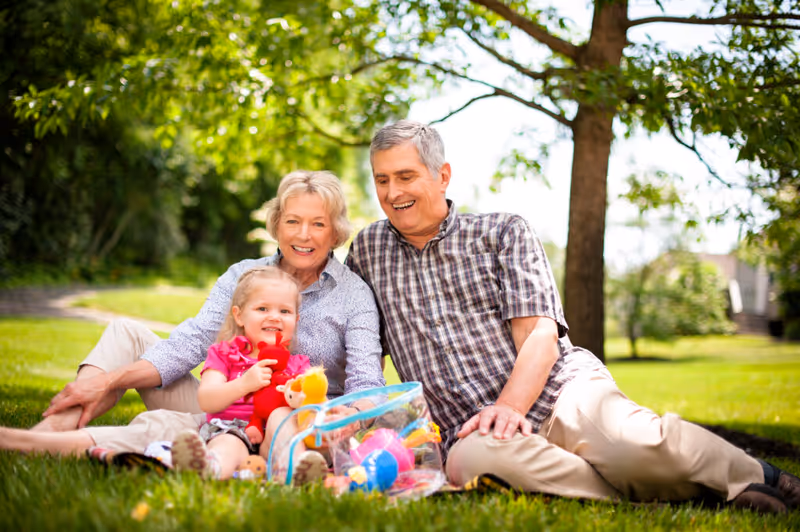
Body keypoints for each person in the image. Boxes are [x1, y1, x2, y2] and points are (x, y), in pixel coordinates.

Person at [344, 120, 800, 514]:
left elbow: (540, 336)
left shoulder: (503, 231)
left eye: (405, 176)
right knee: (470, 465)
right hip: (472, 428)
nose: (393, 192)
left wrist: (509, 407)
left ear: (442, 176)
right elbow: (354, 336)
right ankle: (657, 497)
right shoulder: (367, 251)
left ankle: (760, 475)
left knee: (632, 448)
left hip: (562, 392)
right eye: (381, 180)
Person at [0, 170, 383, 457]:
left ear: (336, 232)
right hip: (227, 401)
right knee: (125, 333)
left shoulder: (353, 294)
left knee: (169, 426)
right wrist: (109, 382)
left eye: (318, 224)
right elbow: (195, 341)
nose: (304, 235)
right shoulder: (243, 275)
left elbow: (367, 382)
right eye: (293, 221)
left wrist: (341, 418)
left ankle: (41, 444)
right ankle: (51, 428)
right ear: (277, 225)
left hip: (293, 425)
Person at [168, 265, 327, 482]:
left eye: (285, 311)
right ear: (239, 316)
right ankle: (208, 468)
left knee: (282, 417)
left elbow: (316, 404)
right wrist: (244, 384)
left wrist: (303, 400)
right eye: (262, 309)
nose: (274, 317)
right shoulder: (224, 354)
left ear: (296, 320)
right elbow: (206, 399)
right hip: (233, 431)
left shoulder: (298, 365)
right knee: (228, 446)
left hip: (273, 439)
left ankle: (296, 468)